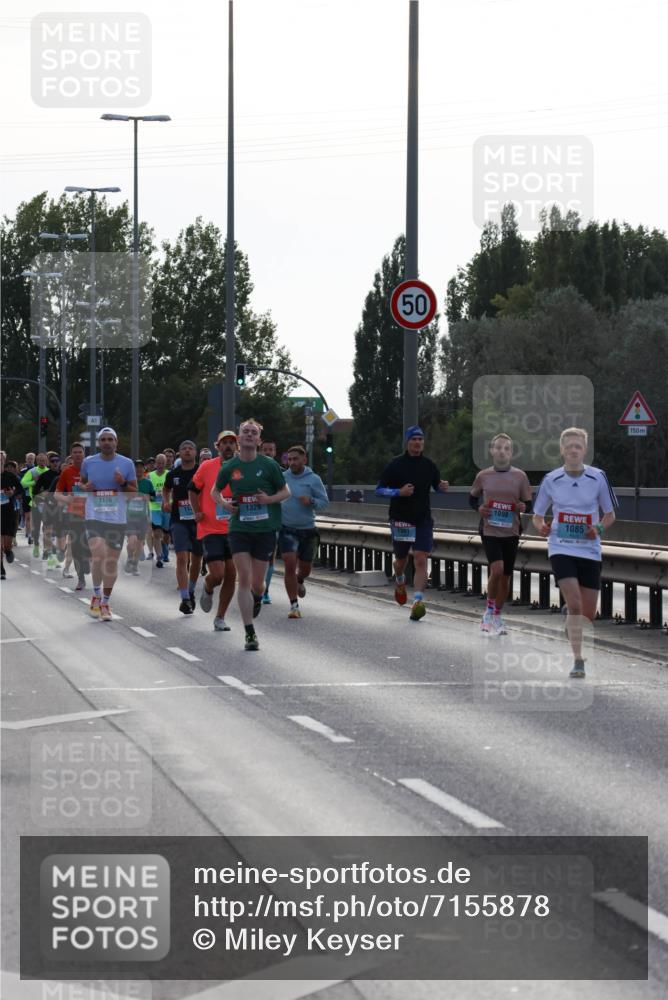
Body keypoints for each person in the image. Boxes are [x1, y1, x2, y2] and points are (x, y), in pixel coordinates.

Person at [532, 426, 617, 679]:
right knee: (576, 604)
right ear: (562, 450)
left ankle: (571, 616)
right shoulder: (551, 480)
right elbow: (537, 516)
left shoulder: (598, 477)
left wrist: (599, 527)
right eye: (569, 446)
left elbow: (610, 514)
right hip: (561, 547)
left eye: (577, 446)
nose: (573, 450)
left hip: (589, 549)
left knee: (587, 615)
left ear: (585, 450)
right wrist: (542, 528)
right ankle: (578, 660)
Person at [211, 419, 290, 650]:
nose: (248, 435)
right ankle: (249, 633)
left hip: (265, 530)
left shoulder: (269, 465)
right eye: (245, 431)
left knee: (258, 584)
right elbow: (215, 492)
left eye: (253, 432)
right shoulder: (229, 467)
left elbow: (286, 491)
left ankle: (256, 597)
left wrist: (268, 500)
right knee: (243, 579)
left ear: (258, 440)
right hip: (240, 529)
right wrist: (225, 505)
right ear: (239, 437)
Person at [376, 426, 449, 621]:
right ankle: (399, 578)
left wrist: (442, 487)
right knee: (401, 561)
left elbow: (436, 485)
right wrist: (398, 492)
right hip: (401, 519)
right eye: (414, 439)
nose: (417, 442)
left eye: (420, 439)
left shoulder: (429, 465)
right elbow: (379, 490)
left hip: (423, 519)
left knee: (420, 558)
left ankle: (417, 601)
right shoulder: (395, 465)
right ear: (407, 442)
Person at [469, 433, 533, 635]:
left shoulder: (520, 476)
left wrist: (523, 507)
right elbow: (472, 499)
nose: (502, 451)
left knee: (505, 577)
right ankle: (487, 613)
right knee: (496, 569)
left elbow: (528, 504)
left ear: (511, 453)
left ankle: (497, 615)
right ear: (491, 451)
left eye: (506, 448)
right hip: (490, 529)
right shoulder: (483, 475)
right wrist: (479, 508)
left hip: (511, 531)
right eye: (498, 447)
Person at [80, 427, 137, 621]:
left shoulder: (126, 463)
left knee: (111, 562)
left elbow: (134, 492)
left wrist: (121, 483)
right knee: (99, 556)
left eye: (109, 439)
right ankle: (96, 594)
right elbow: (82, 482)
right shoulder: (88, 462)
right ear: (99, 443)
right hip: (94, 516)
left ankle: (105, 601)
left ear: (116, 442)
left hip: (117, 518)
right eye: (103, 439)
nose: (106, 442)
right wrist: (85, 487)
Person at [188, 431, 238, 631]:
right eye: (224, 443)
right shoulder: (207, 466)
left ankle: (220, 617)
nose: (228, 446)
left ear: (236, 447)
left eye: (231, 443)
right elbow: (192, 489)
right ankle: (208, 587)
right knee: (217, 574)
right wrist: (197, 511)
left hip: (235, 529)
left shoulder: (242, 467)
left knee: (231, 574)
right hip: (210, 527)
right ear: (218, 446)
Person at [278, 445, 329, 618]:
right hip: (287, 529)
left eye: (295, 459)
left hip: (308, 530)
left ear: (304, 460)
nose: (292, 462)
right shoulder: (282, 477)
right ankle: (294, 606)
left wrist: (311, 501)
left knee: (305, 569)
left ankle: (300, 580)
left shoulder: (313, 479)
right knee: (290, 565)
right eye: (289, 459)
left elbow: (324, 502)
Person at [164, 440, 201, 614]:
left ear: (195, 453)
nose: (187, 451)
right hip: (178, 520)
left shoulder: (201, 471)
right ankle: (185, 598)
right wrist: (166, 501)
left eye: (190, 448)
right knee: (181, 558)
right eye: (184, 449)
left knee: (197, 559)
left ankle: (191, 590)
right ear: (180, 453)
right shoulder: (173, 474)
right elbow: (166, 489)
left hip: (199, 520)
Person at [54, 442, 91, 590]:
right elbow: (56, 494)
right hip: (74, 513)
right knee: (76, 546)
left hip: (91, 513)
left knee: (90, 542)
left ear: (84, 454)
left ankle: (87, 558)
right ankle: (81, 579)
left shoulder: (91, 470)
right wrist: (66, 499)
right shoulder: (67, 472)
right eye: (74, 452)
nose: (77, 454)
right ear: (71, 454)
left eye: (79, 452)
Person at [124, 460, 155, 575]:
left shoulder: (148, 483)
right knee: (132, 541)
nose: (139, 469)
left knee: (139, 543)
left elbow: (153, 497)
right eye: (136, 467)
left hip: (143, 517)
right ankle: (129, 557)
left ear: (144, 469)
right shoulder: (128, 483)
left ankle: (135, 566)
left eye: (141, 467)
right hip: (130, 517)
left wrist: (146, 497)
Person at [33, 453, 63, 568]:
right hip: (48, 507)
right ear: (49, 463)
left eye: (57, 461)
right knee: (48, 531)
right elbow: (35, 492)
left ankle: (51, 551)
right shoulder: (44, 475)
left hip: (61, 507)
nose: (55, 463)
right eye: (53, 461)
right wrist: (43, 494)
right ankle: (51, 556)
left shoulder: (63, 474)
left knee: (61, 534)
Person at [259, 440, 279, 603]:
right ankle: (255, 586)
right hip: (252, 521)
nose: (267, 452)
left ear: (275, 453)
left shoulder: (281, 472)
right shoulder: (252, 470)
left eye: (270, 449)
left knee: (269, 556)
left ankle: (265, 590)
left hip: (272, 521)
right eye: (265, 449)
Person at [21, 452, 48, 557]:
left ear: (46, 461)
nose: (42, 462)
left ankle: (46, 549)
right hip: (35, 503)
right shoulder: (32, 471)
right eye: (40, 460)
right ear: (37, 461)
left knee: (46, 528)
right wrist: (33, 482)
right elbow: (23, 483)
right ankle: (36, 546)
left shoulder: (49, 472)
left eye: (44, 460)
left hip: (48, 504)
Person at [1, 453, 23, 579]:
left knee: (7, 544)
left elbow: (21, 491)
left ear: (4, 461)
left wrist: (13, 493)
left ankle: (8, 551)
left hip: (9, 513)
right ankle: (1, 569)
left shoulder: (10, 476)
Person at [148, 454, 170, 566]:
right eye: (158, 463)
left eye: (162, 463)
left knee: (166, 535)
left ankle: (165, 550)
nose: (160, 465)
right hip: (154, 508)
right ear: (155, 463)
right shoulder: (150, 476)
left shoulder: (169, 474)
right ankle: (159, 557)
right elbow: (146, 491)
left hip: (166, 508)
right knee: (156, 533)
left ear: (165, 463)